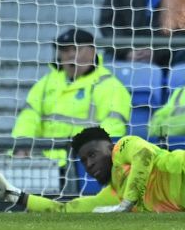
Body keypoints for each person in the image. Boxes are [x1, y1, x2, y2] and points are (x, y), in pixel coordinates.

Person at [0, 127, 185, 212]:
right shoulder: (112, 195)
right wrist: (12, 194)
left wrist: (128, 202)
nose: (89, 164)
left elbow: (145, 155)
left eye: (92, 155)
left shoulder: (123, 148)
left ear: (109, 147)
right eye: (84, 160)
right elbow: (64, 210)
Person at [11, 28, 131, 167]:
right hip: (44, 162)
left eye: (76, 49)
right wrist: (22, 144)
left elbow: (114, 127)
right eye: (65, 50)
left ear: (92, 52)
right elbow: (28, 117)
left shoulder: (109, 85)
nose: (71, 55)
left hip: (83, 164)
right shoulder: (46, 83)